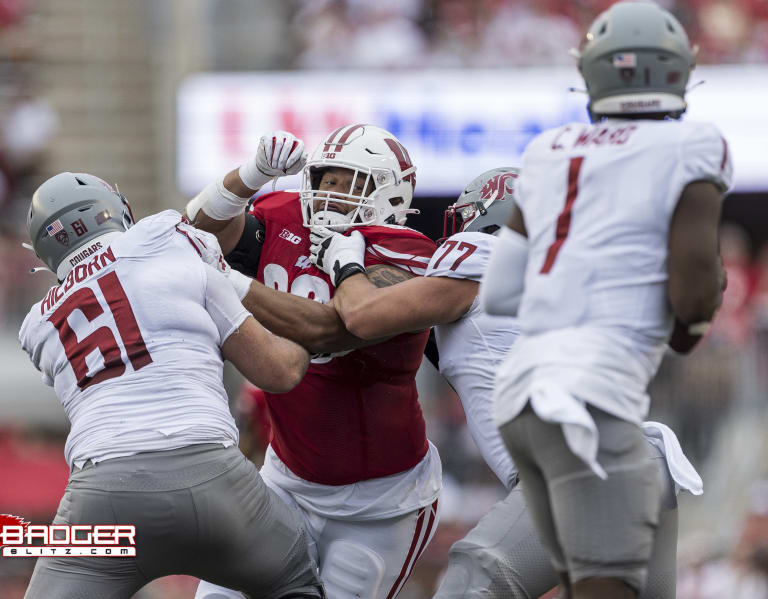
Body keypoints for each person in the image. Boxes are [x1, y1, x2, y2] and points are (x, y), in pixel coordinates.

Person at [309, 166, 704, 599]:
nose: (457, 228)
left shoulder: (480, 252)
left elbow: (364, 316)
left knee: (475, 576)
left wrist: (345, 262)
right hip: (643, 463)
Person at [479, 3, 733, 598]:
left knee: (593, 584)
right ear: (678, 73)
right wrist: (689, 323)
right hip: (589, 400)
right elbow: (694, 293)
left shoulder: (549, 150)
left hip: (519, 400)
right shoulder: (693, 145)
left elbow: (501, 292)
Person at [18, 172, 323, 599]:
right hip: (217, 481)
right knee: (297, 578)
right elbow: (279, 372)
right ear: (116, 210)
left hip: (104, 497)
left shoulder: (37, 325)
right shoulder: (170, 243)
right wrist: (316, 336)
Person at [187, 125, 442, 599]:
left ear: (391, 193)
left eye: (352, 182)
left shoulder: (407, 252)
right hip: (287, 478)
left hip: (380, 502)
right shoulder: (284, 217)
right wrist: (248, 176)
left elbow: (325, 331)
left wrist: (227, 282)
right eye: (328, 179)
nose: (333, 194)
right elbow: (194, 234)